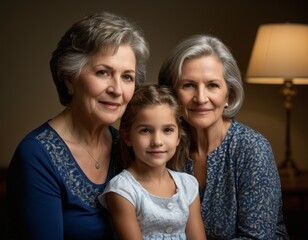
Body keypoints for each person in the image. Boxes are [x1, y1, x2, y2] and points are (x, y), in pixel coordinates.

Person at [6, 11, 149, 239]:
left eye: (127, 77)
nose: (117, 90)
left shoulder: (128, 145)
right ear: (69, 79)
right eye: (103, 72)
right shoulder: (36, 155)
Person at [158, 34, 289, 239]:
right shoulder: (162, 145)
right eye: (189, 85)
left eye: (212, 85)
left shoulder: (252, 148)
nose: (201, 98)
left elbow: (256, 237)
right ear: (172, 93)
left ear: (229, 94)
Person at [99, 84, 206, 240]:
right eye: (145, 130)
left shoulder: (188, 185)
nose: (157, 141)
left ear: (178, 137)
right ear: (128, 137)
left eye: (167, 130)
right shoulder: (122, 190)